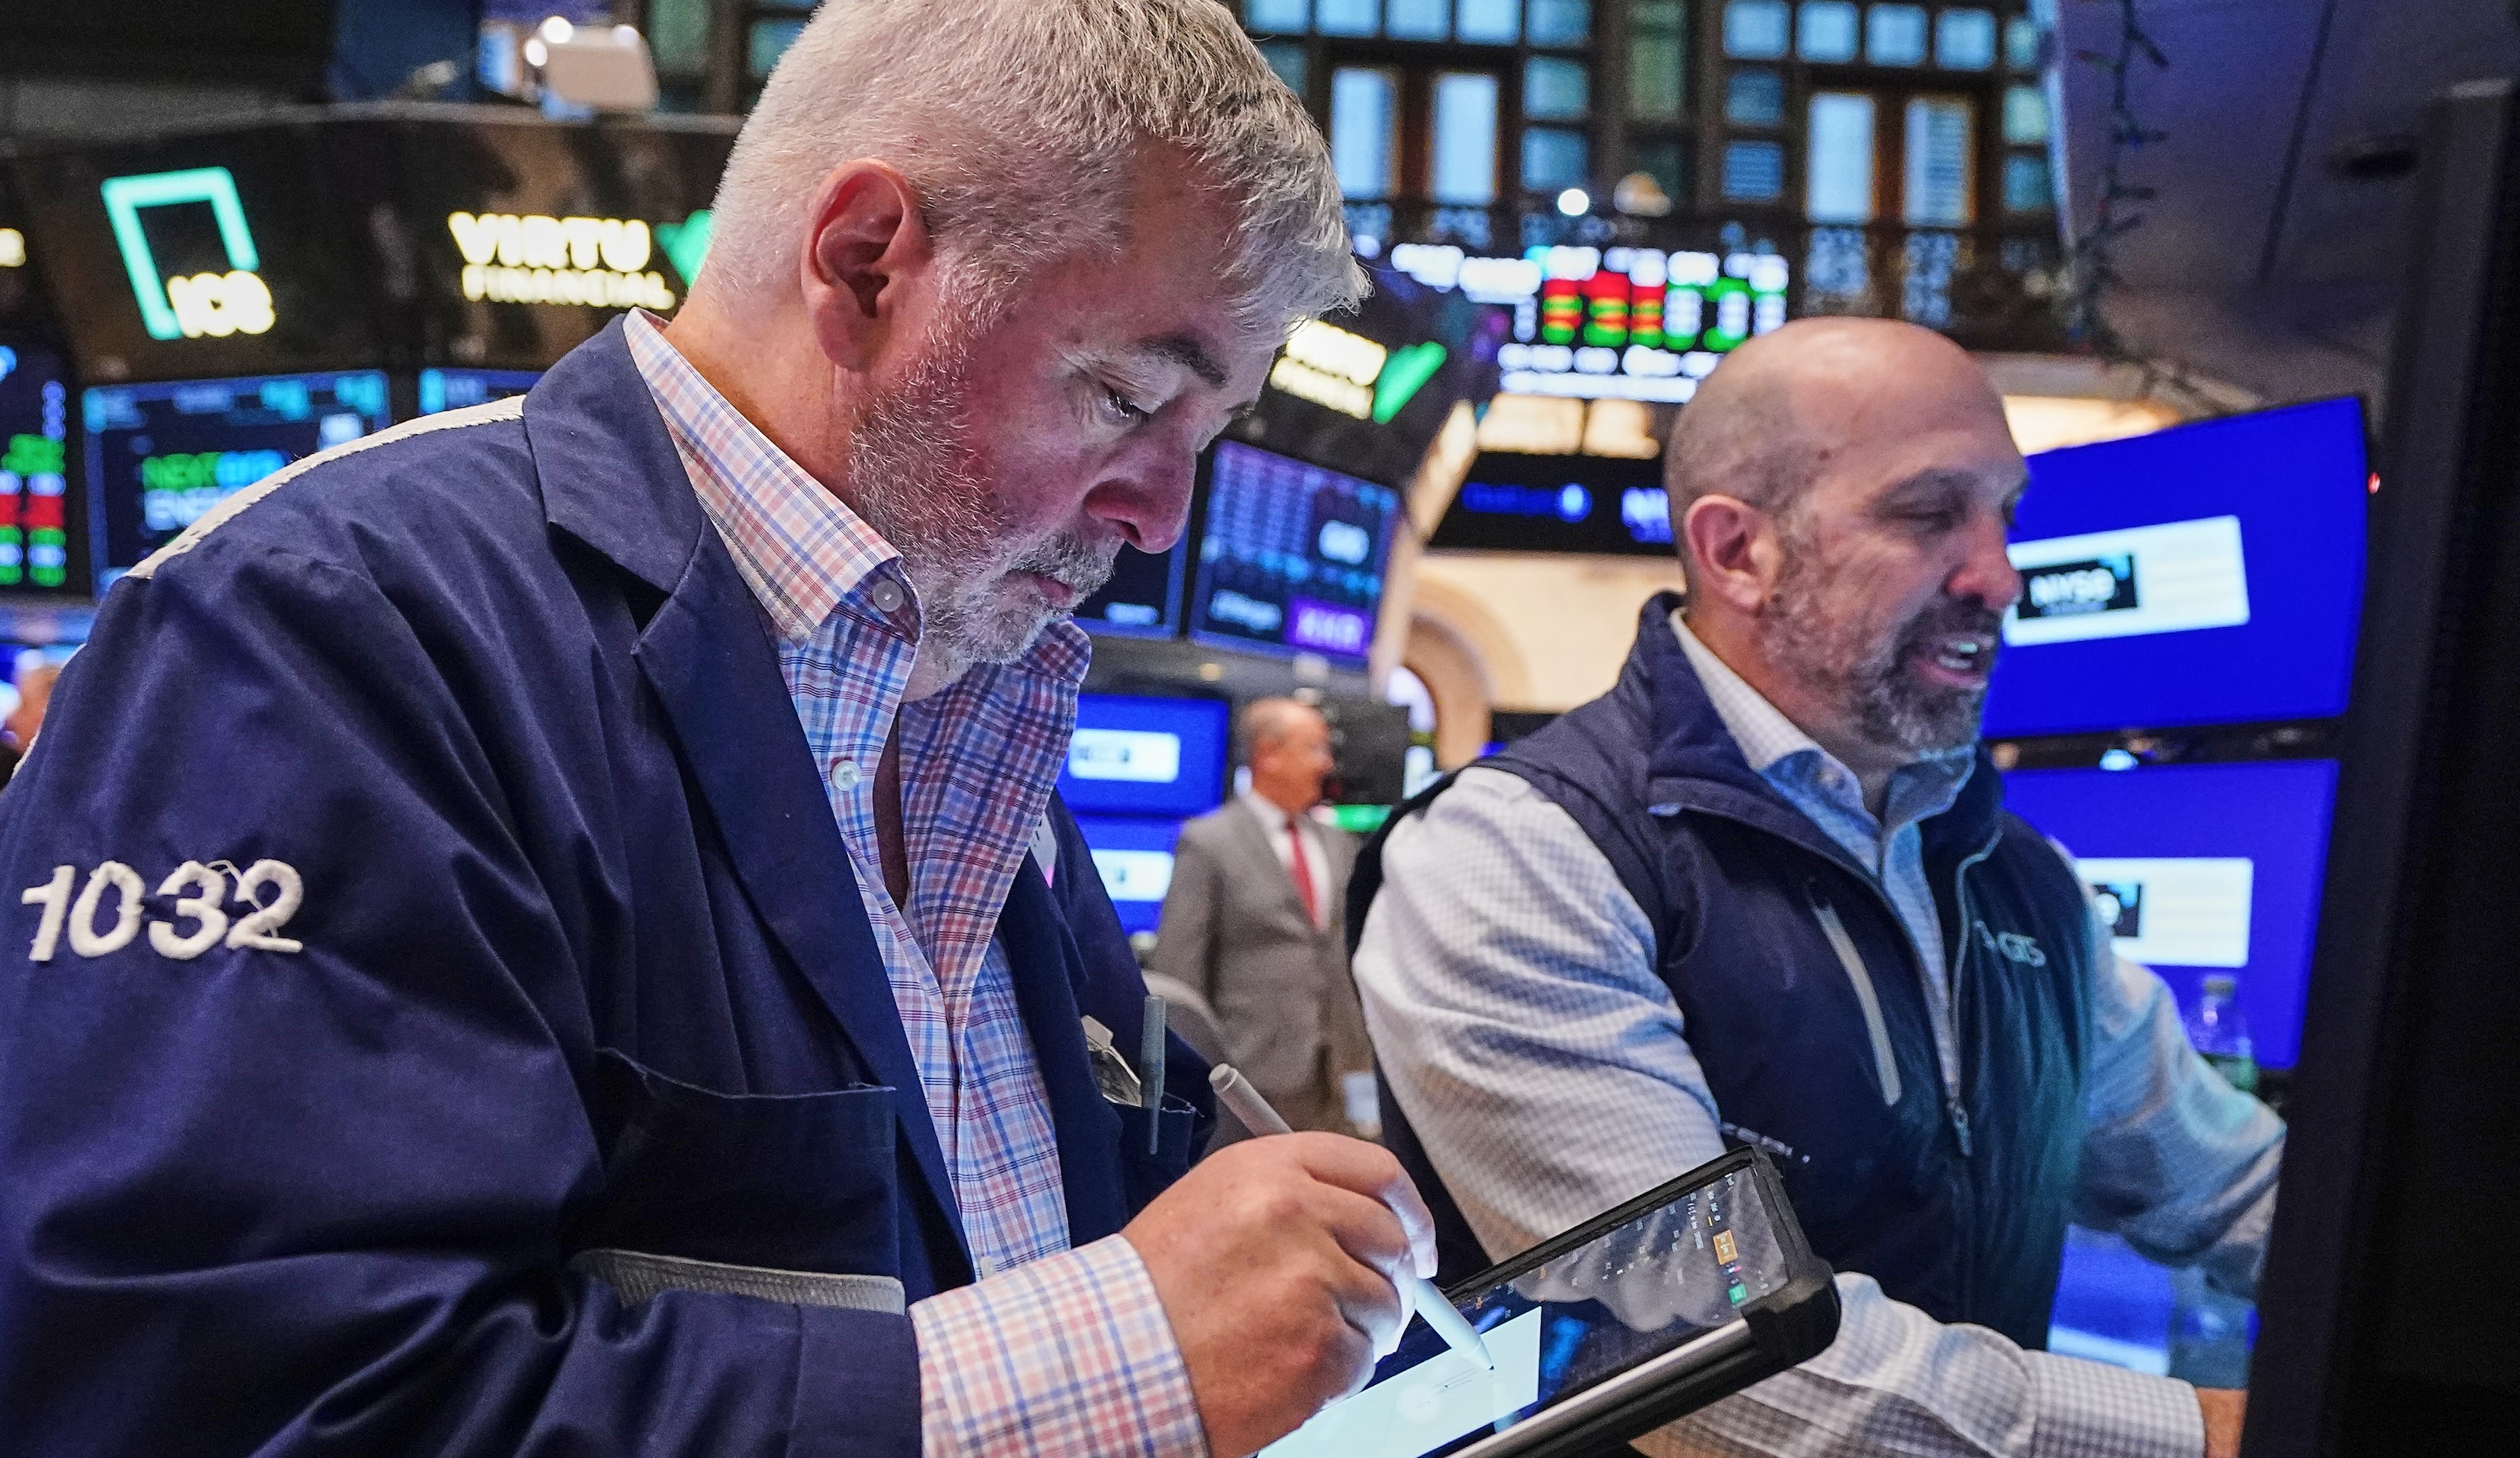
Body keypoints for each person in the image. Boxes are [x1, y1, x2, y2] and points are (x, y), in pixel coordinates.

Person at [0, 4, 1441, 1456]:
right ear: (867, 260)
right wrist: (1115, 1356)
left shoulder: (963, 691)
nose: (1161, 514)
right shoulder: (324, 635)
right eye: (1130, 396)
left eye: (1208, 436)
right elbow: (232, 1404)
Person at [1353, 318, 2280, 1458]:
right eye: (1929, 514)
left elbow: (2230, 1180)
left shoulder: (2011, 877)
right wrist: (2213, 1434)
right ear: (1738, 550)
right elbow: (1717, 1352)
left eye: (2008, 518)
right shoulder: (1521, 856)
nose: (1998, 575)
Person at [1158, 698, 1373, 1137]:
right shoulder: (1209, 843)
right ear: (1269, 755)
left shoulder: (1339, 844)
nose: (1326, 763)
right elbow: (1179, 974)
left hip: (1340, 1076)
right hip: (1251, 1076)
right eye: (1314, 748)